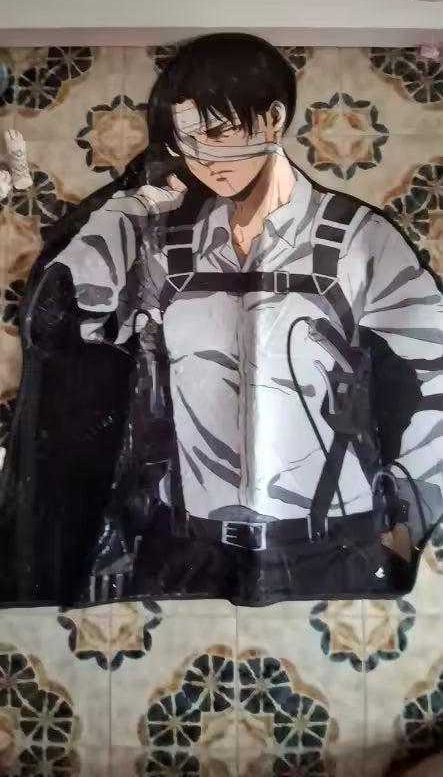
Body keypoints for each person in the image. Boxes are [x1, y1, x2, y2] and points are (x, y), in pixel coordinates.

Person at [13, 33, 443, 605]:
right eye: (187, 140)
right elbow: (60, 318)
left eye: (217, 134)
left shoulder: (358, 240)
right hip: (192, 548)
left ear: (272, 119)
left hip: (334, 548)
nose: (205, 159)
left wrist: (406, 521)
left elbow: (434, 373)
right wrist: (130, 208)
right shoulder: (167, 246)